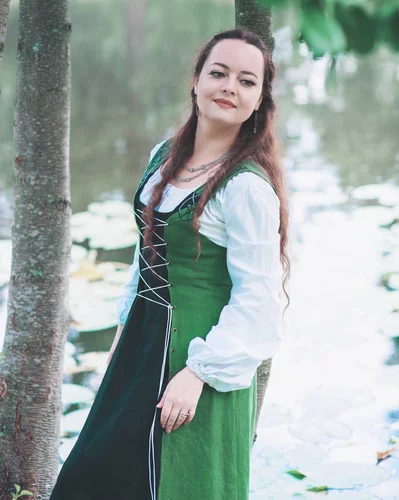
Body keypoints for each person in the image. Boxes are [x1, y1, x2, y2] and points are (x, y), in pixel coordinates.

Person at [49, 27, 290, 500]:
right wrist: (124, 324)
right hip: (142, 340)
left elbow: (258, 299)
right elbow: (148, 255)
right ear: (196, 81)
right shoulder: (165, 156)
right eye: (218, 73)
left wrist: (199, 373)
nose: (228, 87)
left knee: (178, 482)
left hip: (196, 354)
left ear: (260, 100)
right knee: (94, 476)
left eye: (246, 81)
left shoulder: (245, 189)